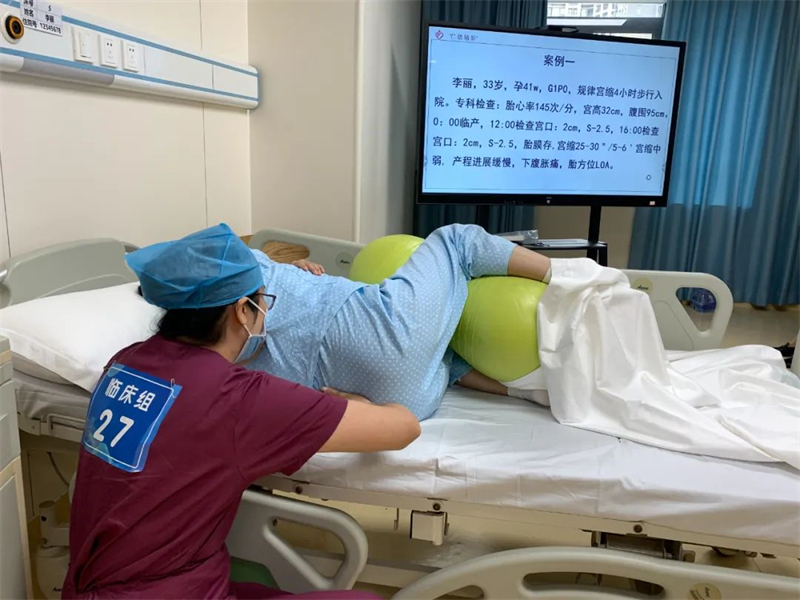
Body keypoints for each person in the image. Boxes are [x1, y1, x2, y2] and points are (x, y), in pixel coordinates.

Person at [64, 224, 419, 600]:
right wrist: (357, 403)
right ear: (242, 311)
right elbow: (404, 427)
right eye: (265, 300)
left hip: (99, 585)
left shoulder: (125, 362)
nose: (266, 311)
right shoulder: (238, 397)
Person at [249, 224, 552, 420]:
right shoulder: (233, 260)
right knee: (456, 241)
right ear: (240, 310)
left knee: (445, 351)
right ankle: (569, 275)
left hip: (399, 405)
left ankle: (524, 392)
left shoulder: (225, 375)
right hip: (382, 337)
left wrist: (290, 274)